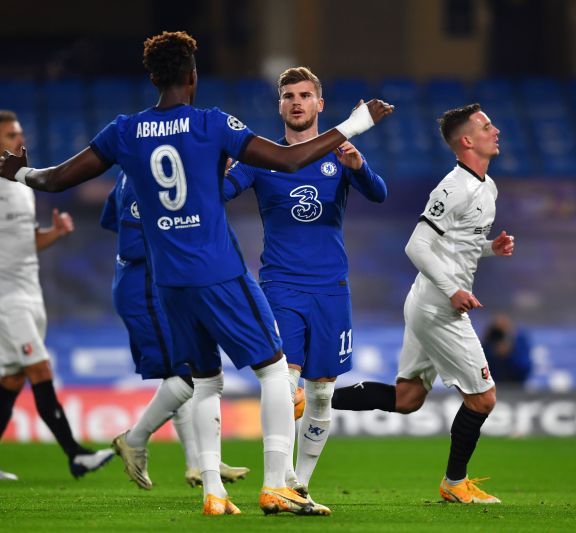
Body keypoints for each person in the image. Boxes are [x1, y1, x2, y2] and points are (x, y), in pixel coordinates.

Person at [0, 31, 393, 515]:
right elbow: (288, 159)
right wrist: (356, 122)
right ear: (192, 77)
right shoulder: (209, 123)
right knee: (273, 371)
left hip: (167, 280)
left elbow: (54, 179)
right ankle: (277, 486)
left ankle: (214, 492)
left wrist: (18, 172)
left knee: (205, 380)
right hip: (218, 270)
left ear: (153, 76)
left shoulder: (123, 131)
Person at [331, 103, 514, 504]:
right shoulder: (453, 188)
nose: (495, 129)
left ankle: (318, 399)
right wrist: (452, 290)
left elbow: (456, 247)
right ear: (466, 140)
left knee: (407, 398)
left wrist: (489, 249)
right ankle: (454, 483)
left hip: (428, 301)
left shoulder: (487, 186)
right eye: (486, 125)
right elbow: (417, 245)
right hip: (439, 307)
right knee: (483, 398)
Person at [224, 66, 386, 509]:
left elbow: (379, 194)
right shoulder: (261, 158)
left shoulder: (341, 153)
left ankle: (300, 484)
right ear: (279, 105)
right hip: (281, 286)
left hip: (332, 288)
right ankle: (279, 477)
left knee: (321, 392)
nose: (296, 102)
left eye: (304, 95)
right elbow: (222, 190)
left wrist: (360, 166)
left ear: (320, 105)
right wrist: (216, 171)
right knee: (283, 379)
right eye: (288, 95)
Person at [0, 110, 115, 481]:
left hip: (31, 295)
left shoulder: (23, 186)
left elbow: (27, 242)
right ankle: (76, 455)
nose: (19, 140)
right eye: (11, 135)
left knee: (12, 379)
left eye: (20, 133)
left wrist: (55, 233)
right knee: (40, 368)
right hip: (3, 297)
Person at [100, 170, 249, 488]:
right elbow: (131, 245)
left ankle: (198, 463)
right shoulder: (152, 178)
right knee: (186, 375)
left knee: (181, 372)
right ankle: (135, 440)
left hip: (151, 284)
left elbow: (111, 218)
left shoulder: (132, 170)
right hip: (144, 289)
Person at [481, 313, 532, 384]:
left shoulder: (519, 341)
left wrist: (510, 354)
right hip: (492, 385)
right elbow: (482, 372)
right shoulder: (488, 342)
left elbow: (525, 370)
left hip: (515, 386)